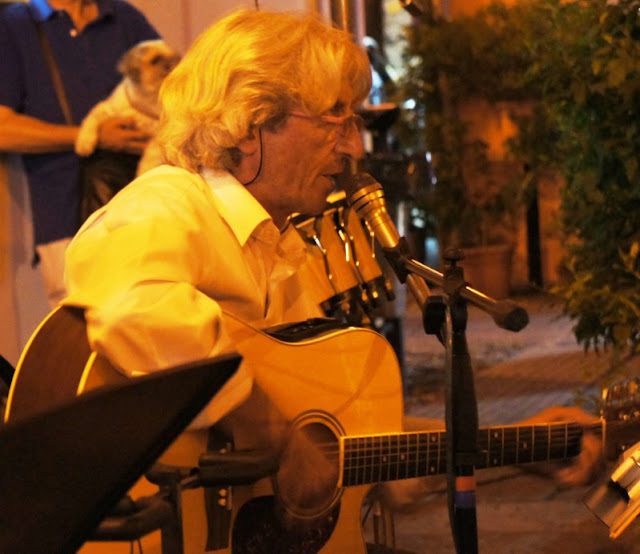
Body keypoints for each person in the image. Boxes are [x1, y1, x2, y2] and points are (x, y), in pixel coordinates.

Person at [60, 8, 602, 552]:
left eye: (355, 120)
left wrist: (519, 443)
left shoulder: (277, 245)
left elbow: (347, 439)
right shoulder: (168, 206)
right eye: (335, 118)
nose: (354, 147)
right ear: (252, 127)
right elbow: (137, 309)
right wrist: (276, 434)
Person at [0, 0, 160, 307]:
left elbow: (174, 88)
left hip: (144, 214)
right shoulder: (16, 23)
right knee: (83, 345)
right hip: (67, 219)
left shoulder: (122, 16)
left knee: (155, 335)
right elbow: (3, 128)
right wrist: (93, 136)